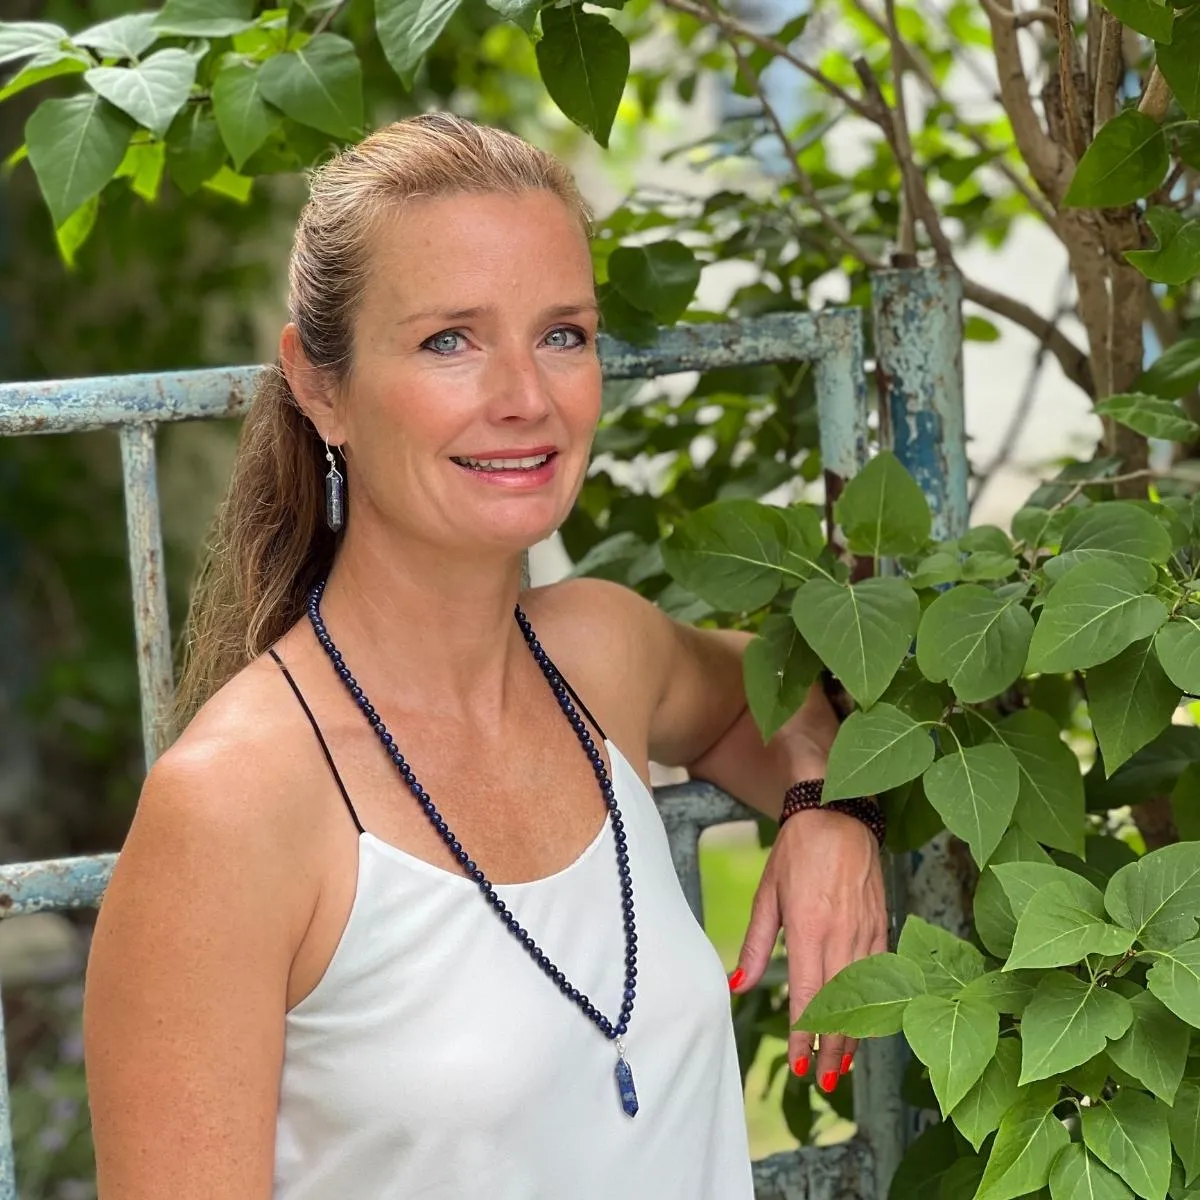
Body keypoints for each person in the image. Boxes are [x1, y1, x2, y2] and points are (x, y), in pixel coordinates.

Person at [82, 113, 888, 1199]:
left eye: (564, 333)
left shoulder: (598, 653)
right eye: (448, 340)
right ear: (321, 386)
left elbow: (768, 705)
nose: (527, 396)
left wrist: (828, 809)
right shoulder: (234, 807)